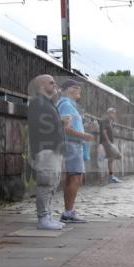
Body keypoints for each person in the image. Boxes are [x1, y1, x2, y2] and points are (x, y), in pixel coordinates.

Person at [27, 75, 66, 230]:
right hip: (46, 150)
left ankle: (47, 216)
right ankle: (43, 218)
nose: (55, 84)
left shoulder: (48, 103)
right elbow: (39, 127)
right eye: (51, 82)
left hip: (53, 150)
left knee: (52, 184)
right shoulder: (38, 103)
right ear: (42, 86)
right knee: (46, 184)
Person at [57, 79, 95, 223]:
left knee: (73, 177)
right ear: (65, 90)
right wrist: (85, 135)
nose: (78, 89)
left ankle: (68, 211)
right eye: (74, 87)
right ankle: (68, 212)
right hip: (72, 145)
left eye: (79, 87)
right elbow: (65, 128)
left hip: (73, 145)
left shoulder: (69, 105)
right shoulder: (66, 104)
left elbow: (70, 125)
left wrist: (85, 127)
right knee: (75, 178)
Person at [99, 107, 123, 182]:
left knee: (112, 159)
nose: (114, 115)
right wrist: (109, 142)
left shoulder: (110, 122)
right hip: (106, 142)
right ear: (109, 113)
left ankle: (111, 176)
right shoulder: (105, 121)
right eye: (112, 113)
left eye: (114, 113)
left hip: (109, 143)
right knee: (116, 156)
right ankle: (111, 177)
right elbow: (104, 132)